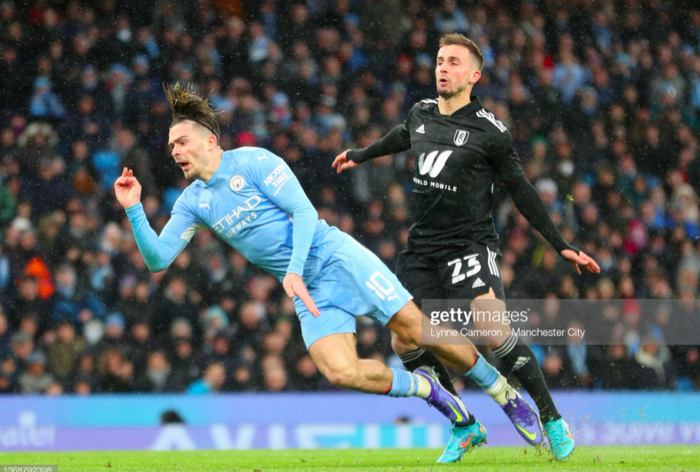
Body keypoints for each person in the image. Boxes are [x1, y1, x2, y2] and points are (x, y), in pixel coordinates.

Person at [114, 83, 541, 463]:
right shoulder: (193, 202)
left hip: (332, 256)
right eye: (171, 146)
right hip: (305, 286)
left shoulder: (254, 162)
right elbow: (158, 259)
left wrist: (295, 270)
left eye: (182, 142)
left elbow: (303, 211)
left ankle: (501, 390)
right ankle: (445, 403)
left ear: (210, 141)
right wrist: (134, 208)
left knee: (419, 330)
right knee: (340, 371)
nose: (175, 151)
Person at [332, 33, 601, 462]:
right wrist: (360, 154)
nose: (443, 68)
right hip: (422, 249)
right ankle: (464, 424)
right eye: (440, 60)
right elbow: (401, 137)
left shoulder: (491, 132)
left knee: (491, 326)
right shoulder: (421, 113)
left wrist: (561, 244)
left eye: (454, 62)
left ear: (474, 75)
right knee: (404, 342)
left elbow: (521, 189)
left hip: (469, 245)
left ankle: (551, 418)